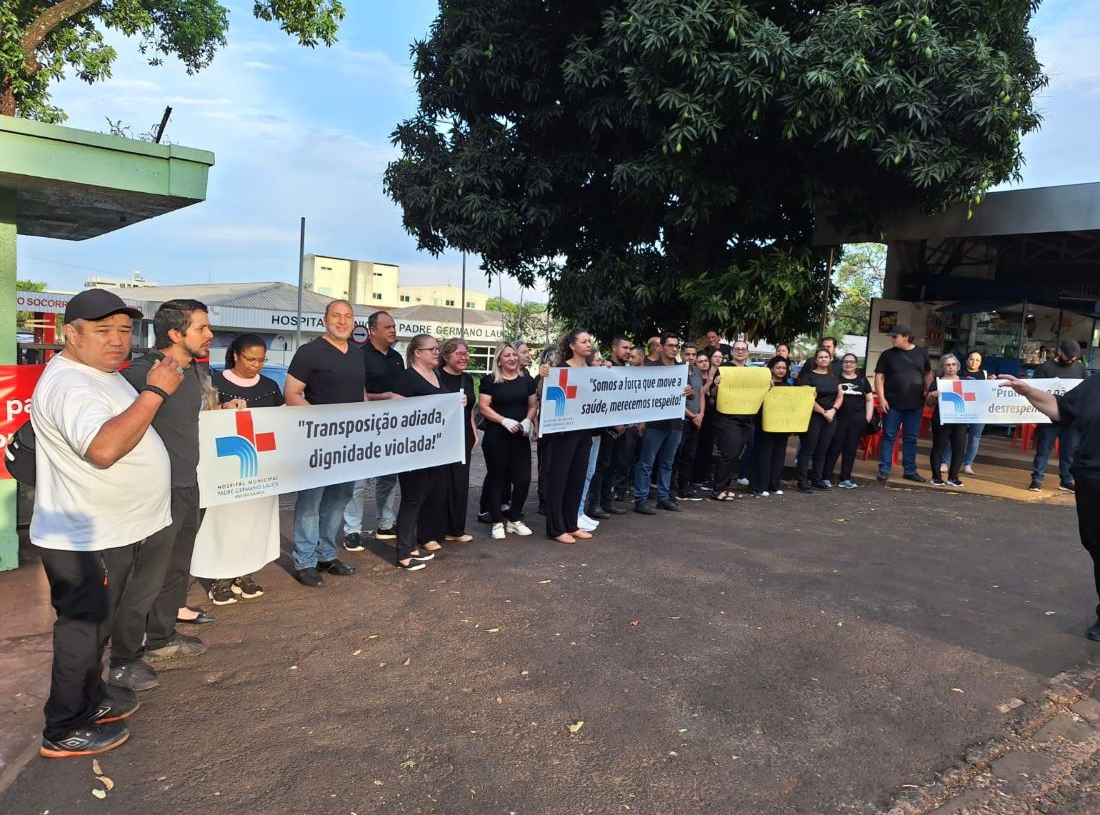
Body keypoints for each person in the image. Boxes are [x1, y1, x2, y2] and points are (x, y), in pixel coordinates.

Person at [31, 290, 180, 757]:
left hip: (112, 528)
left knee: (98, 629)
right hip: (84, 537)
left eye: (123, 330)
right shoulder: (70, 384)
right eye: (102, 331)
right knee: (82, 630)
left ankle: (91, 701)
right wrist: (156, 391)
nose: (117, 341)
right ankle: (63, 728)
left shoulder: (100, 373)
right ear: (69, 334)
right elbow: (104, 448)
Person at [108, 299, 214, 694]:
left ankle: (162, 639)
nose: (209, 335)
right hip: (155, 492)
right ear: (175, 333)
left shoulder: (192, 370)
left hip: (188, 484)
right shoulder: (141, 373)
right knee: (142, 579)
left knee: (176, 570)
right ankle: (123, 658)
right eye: (201, 328)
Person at [999, 370, 1100, 639]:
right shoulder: (1094, 384)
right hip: (1091, 480)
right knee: (1097, 546)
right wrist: (1028, 391)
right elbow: (1060, 409)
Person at [284, 300, 363, 587]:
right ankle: (304, 561)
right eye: (336, 316)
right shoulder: (309, 353)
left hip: (350, 444)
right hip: (316, 443)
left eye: (347, 317)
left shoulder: (357, 353)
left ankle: (326, 555)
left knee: (339, 500)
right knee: (311, 502)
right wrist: (321, 425)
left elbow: (360, 395)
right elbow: (292, 393)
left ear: (353, 322)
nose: (342, 321)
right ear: (324, 320)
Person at [205, 333, 285, 604]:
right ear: (236, 355)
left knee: (255, 522)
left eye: (262, 359)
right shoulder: (214, 382)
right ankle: (220, 578)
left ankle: (246, 573)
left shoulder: (272, 386)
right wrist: (222, 407)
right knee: (225, 523)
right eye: (250, 359)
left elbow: (280, 424)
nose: (256, 365)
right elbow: (202, 417)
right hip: (227, 467)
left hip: (261, 467)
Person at [343, 311, 403, 551]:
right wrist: (385, 397)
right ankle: (352, 530)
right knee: (358, 480)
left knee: (388, 478)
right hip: (363, 425)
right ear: (372, 330)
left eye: (394, 326)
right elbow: (357, 391)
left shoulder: (398, 358)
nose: (392, 330)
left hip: (391, 426)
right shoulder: (358, 355)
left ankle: (386, 524)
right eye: (387, 327)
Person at [392, 334, 449, 569]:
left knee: (421, 497)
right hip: (413, 450)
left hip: (433, 449)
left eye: (438, 348)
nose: (437, 352)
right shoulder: (406, 378)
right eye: (432, 349)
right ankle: (403, 554)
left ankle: (411, 545)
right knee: (411, 499)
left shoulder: (435, 375)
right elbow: (396, 411)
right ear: (417, 353)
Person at [478, 343, 538, 540]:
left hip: (519, 437)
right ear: (499, 360)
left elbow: (532, 404)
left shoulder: (527, 381)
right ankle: (497, 522)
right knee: (498, 479)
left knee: (523, 479)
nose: (512, 358)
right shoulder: (490, 381)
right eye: (507, 356)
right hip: (497, 437)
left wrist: (528, 420)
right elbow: (484, 406)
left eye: (514, 355)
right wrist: (503, 420)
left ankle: (514, 519)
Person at [543, 330, 595, 543]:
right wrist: (545, 377)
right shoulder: (560, 369)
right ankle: (555, 528)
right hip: (563, 434)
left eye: (590, 341)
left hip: (584, 432)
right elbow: (545, 397)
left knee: (577, 479)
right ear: (572, 346)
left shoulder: (593, 371)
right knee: (559, 480)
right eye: (584, 341)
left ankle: (571, 524)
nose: (588, 344)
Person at [633, 332, 686, 515]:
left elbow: (692, 395)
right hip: (654, 423)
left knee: (667, 463)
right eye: (670, 345)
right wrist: (641, 420)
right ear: (660, 347)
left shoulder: (681, 368)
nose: (674, 349)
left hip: (675, 424)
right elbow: (641, 394)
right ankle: (641, 498)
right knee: (646, 462)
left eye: (676, 346)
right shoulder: (650, 368)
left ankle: (663, 497)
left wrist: (689, 392)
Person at [874, 324, 932, 483]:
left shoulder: (921, 352)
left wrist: (930, 392)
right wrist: (881, 398)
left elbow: (927, 373)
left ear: (906, 336)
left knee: (911, 437)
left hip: (915, 403)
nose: (892, 339)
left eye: (895, 336)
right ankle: (884, 469)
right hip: (892, 403)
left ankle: (910, 470)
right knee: (889, 436)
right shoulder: (887, 355)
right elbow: (879, 377)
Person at [1028, 339, 1086, 492]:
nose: (1072, 360)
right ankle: (1037, 479)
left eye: (1075, 357)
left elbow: (1085, 389)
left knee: (1069, 450)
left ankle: (1066, 479)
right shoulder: (1045, 368)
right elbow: (1034, 390)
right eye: (1069, 357)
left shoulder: (1079, 368)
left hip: (1070, 416)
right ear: (1060, 352)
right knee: (1043, 449)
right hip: (1049, 416)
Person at [437, 338, 480, 543]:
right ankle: (436, 529)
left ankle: (456, 530)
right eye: (459, 354)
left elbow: (469, 409)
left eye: (466, 353)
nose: (464, 357)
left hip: (463, 435)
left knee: (460, 482)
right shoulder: (435, 376)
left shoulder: (468, 379)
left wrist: (473, 431)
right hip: (441, 436)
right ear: (446, 356)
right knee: (440, 483)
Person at [592, 335, 634, 516]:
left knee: (613, 465)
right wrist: (615, 422)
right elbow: (601, 398)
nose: (628, 352)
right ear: (614, 348)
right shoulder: (605, 368)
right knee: (601, 466)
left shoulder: (626, 369)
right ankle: (594, 504)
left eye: (630, 348)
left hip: (623, 428)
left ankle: (607, 502)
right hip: (606, 427)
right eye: (624, 348)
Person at [823, 353, 875, 490]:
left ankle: (845, 478)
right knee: (834, 448)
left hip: (857, 421)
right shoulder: (835, 379)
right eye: (846, 361)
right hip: (839, 419)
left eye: (852, 362)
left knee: (851, 450)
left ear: (856, 364)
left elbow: (870, 400)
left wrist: (867, 417)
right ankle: (826, 477)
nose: (848, 364)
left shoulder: (862, 381)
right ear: (842, 364)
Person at [796, 347, 844, 492]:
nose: (823, 359)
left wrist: (833, 410)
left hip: (830, 417)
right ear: (816, 360)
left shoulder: (835, 377)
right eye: (820, 357)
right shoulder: (809, 376)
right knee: (808, 449)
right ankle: (802, 481)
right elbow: (807, 398)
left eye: (826, 357)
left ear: (830, 359)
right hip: (813, 417)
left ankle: (817, 480)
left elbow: (840, 395)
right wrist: (824, 412)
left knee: (822, 450)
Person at [750, 356, 792, 496]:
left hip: (782, 425)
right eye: (778, 367)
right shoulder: (764, 384)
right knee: (764, 454)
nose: (781, 370)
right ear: (772, 368)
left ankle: (774, 485)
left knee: (779, 455)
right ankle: (759, 486)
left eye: (784, 368)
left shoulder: (788, 386)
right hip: (764, 424)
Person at [925, 353, 967, 487]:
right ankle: (936, 477)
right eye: (948, 364)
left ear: (958, 366)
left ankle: (953, 477)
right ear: (943, 367)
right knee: (938, 447)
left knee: (959, 448)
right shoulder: (937, 382)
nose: (951, 367)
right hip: (941, 419)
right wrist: (932, 395)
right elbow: (929, 403)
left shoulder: (965, 382)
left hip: (960, 419)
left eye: (953, 364)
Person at [675, 342, 705, 501]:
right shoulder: (677, 371)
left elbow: (700, 395)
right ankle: (673, 488)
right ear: (682, 354)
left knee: (689, 455)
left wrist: (701, 414)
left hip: (696, 420)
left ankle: (685, 487)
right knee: (676, 455)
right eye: (688, 354)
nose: (691, 357)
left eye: (694, 354)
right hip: (683, 420)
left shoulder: (698, 372)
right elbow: (676, 399)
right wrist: (692, 416)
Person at [957, 351, 990, 475]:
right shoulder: (959, 373)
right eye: (971, 359)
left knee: (974, 439)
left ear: (980, 363)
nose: (974, 362)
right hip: (961, 410)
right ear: (966, 361)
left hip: (978, 411)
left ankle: (968, 464)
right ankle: (946, 462)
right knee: (955, 437)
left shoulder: (985, 375)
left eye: (977, 360)